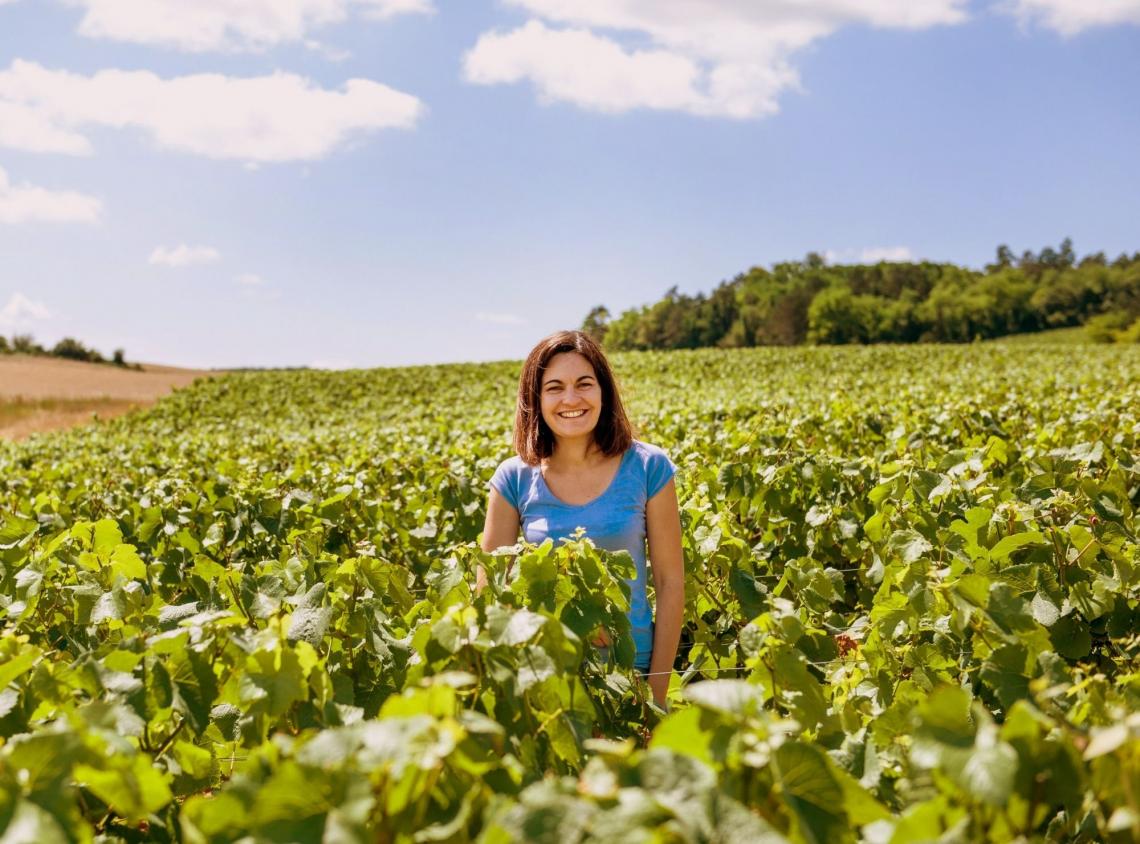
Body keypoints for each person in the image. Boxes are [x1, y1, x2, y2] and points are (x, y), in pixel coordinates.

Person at [480, 330, 684, 708]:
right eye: (554, 387)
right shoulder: (513, 479)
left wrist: (654, 695)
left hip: (631, 672)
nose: (571, 399)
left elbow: (671, 584)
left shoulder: (648, 467)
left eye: (584, 384)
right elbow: (491, 595)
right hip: (547, 680)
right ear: (535, 399)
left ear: (603, 391)